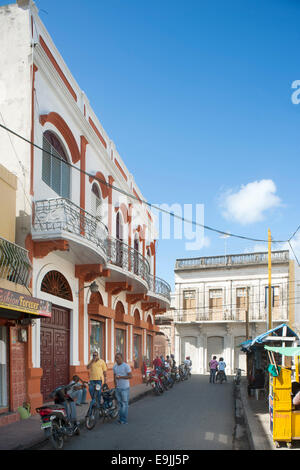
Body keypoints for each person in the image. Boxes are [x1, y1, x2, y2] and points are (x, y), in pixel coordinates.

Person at [113, 352, 132, 424]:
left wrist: (121, 377)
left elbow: (130, 376)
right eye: (115, 358)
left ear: (122, 358)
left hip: (125, 388)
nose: (116, 359)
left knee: (124, 404)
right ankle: (121, 418)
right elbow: (114, 376)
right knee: (120, 404)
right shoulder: (114, 367)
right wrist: (115, 386)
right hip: (118, 388)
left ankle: (123, 420)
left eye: (118, 358)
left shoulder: (126, 366)